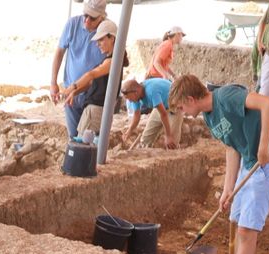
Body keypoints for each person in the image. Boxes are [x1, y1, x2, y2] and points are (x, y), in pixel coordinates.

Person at [171, 75, 269, 254]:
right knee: (234, 220)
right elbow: (231, 148)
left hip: (267, 163)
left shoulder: (226, 97)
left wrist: (264, 146)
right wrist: (227, 189)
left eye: (181, 108)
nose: (183, 113)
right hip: (249, 164)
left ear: (190, 99)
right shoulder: (208, 116)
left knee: (247, 231)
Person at [51, 0, 108, 141]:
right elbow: (59, 52)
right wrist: (53, 82)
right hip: (72, 95)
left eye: (92, 18)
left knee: (89, 140)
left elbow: (93, 75)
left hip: (93, 98)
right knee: (74, 138)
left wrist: (73, 89)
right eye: (85, 15)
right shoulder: (73, 24)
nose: (87, 20)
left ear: (102, 16)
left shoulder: (107, 33)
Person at [59, 19, 115, 140]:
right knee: (82, 144)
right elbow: (91, 82)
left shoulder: (112, 61)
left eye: (101, 40)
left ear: (112, 39)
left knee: (82, 147)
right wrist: (75, 92)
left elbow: (91, 75)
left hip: (96, 111)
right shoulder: (107, 60)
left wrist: (72, 86)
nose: (97, 44)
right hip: (93, 109)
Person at [120, 78, 180, 150]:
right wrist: (129, 131)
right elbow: (136, 115)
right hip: (161, 105)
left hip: (175, 105)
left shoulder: (151, 91)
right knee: (145, 140)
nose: (129, 101)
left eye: (129, 98)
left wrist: (168, 135)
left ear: (135, 92)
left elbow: (163, 114)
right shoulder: (135, 96)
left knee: (171, 142)